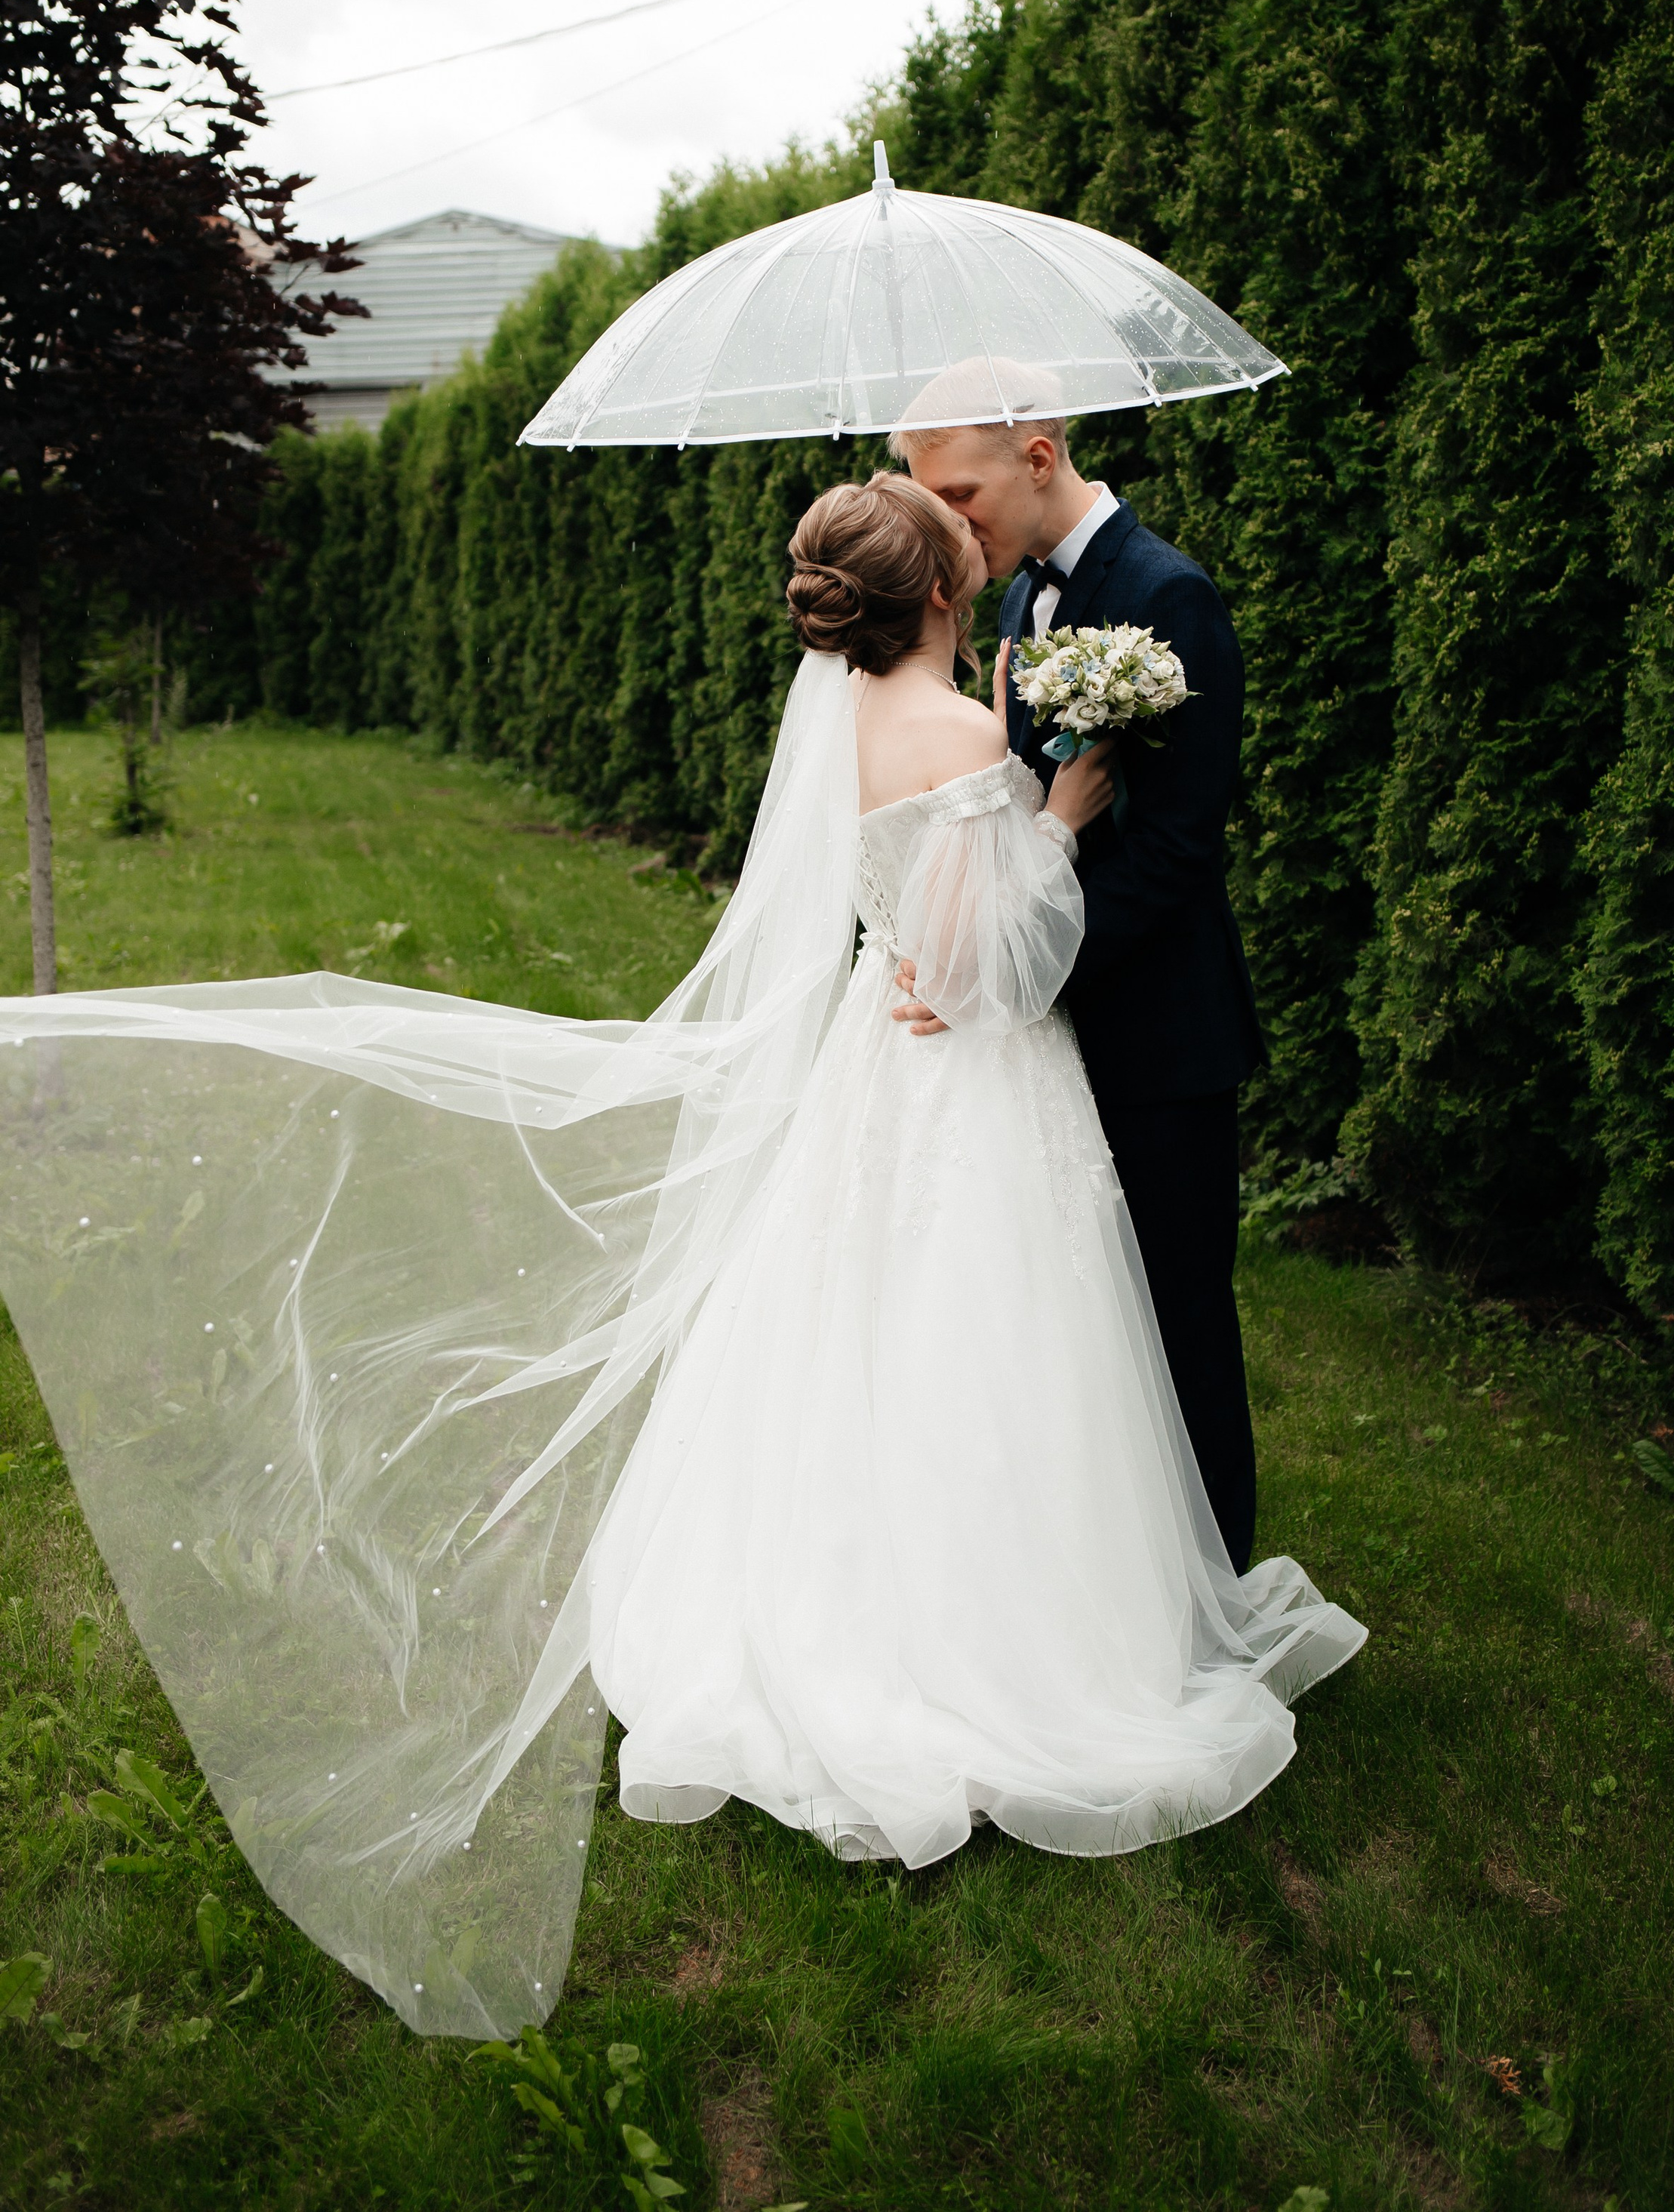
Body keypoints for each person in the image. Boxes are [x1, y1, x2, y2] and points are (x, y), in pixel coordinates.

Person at [0, 473, 1361, 2043]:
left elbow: (903, 927)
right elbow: (1002, 962)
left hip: (873, 1069)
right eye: (965, 560)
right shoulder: (970, 744)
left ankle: (826, 1597)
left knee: (856, 1342)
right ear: (935, 600)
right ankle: (1013, 1644)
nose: (981, 568)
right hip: (969, 1091)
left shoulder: (841, 725)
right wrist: (1064, 803)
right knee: (988, 1347)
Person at [895, 375, 1266, 1569]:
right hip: (1043, 1043)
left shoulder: (1170, 597)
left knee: (1177, 1326)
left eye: (960, 492)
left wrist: (1019, 965)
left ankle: (1213, 1595)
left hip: (1158, 1034)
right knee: (1082, 1340)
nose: (948, 524)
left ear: (1040, 455)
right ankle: (1116, 1588)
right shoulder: (1015, 606)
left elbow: (1171, 852)